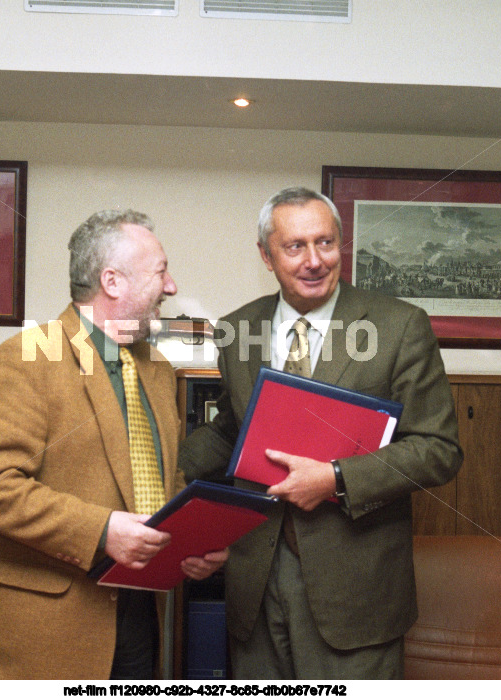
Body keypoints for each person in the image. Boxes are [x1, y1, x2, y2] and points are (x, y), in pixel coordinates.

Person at [179, 187, 463, 679]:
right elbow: (232, 430)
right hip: (254, 578)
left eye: (326, 243)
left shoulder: (399, 326)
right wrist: (160, 474)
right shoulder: (236, 329)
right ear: (266, 256)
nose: (314, 261)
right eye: (295, 247)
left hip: (357, 588)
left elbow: (438, 449)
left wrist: (335, 478)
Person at [0, 209, 228, 679]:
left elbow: (161, 478)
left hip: (142, 617)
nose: (171, 287)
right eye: (161, 271)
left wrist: (192, 542)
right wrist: (102, 532)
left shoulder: (158, 370)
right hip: (45, 635)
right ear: (113, 282)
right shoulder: (27, 358)